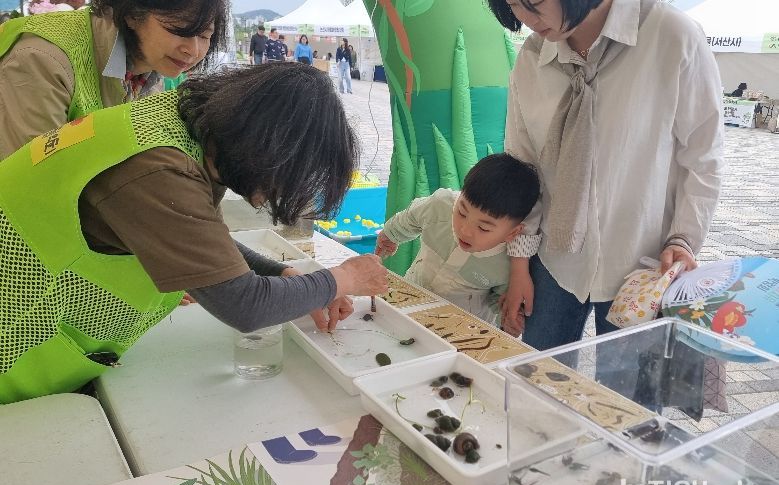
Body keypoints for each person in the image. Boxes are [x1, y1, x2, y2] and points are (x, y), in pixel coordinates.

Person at [0, 62, 388, 404]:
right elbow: (246, 306)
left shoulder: (178, 125)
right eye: (287, 177)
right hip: (15, 337)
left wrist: (285, 274)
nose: (279, 191)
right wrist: (344, 278)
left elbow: (195, 235)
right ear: (267, 148)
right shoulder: (159, 168)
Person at [489, 0, 723, 363]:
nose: (523, 18)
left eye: (533, 3)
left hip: (643, 265)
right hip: (554, 260)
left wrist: (684, 239)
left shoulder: (670, 36)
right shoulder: (533, 59)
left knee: (627, 395)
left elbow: (702, 157)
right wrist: (519, 264)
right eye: (512, 4)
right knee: (537, 381)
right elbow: (524, 167)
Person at [0, 0, 229, 160]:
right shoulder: (42, 60)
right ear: (133, 13)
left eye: (204, 35)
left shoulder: (149, 73)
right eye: (179, 30)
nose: (193, 50)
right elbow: (34, 176)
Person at [375, 154, 540, 334]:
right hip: (410, 304)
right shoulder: (440, 205)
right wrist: (390, 234)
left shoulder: (507, 264)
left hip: (460, 332)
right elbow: (410, 218)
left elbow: (498, 300)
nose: (465, 230)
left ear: (512, 233)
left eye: (483, 228)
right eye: (462, 212)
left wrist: (508, 319)